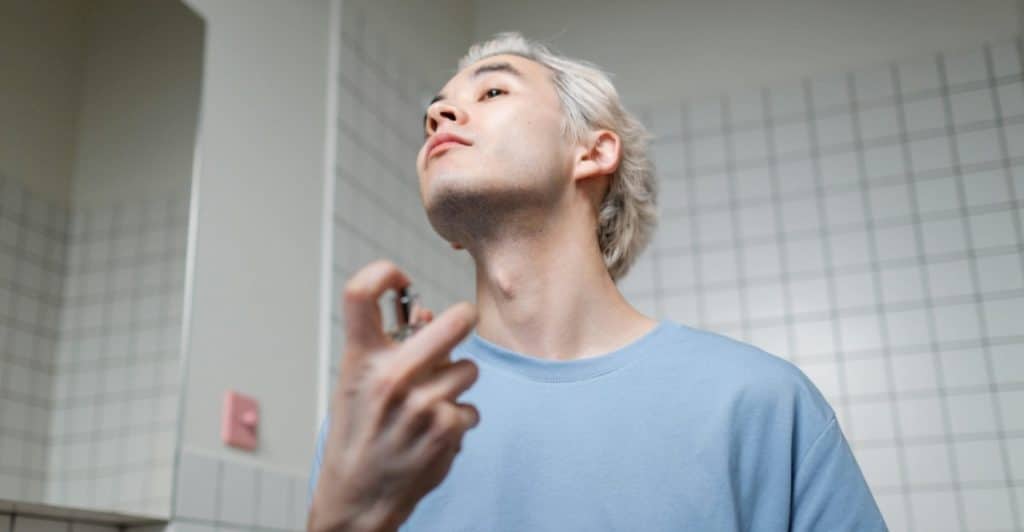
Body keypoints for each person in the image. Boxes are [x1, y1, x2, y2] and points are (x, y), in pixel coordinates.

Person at [306, 32, 888, 532]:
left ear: (593, 150)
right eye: (433, 111)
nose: (438, 117)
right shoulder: (396, 412)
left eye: (492, 91)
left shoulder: (762, 402)